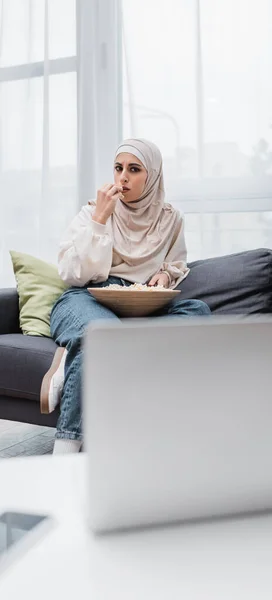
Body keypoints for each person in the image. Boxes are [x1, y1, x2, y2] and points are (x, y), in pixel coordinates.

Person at [43, 139, 211, 455]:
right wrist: (99, 220)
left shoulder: (170, 218)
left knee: (198, 311)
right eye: (118, 168)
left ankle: (76, 355)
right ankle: (65, 450)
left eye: (134, 170)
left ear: (153, 176)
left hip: (137, 305)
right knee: (102, 333)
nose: (123, 178)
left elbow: (174, 261)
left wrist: (165, 274)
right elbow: (72, 273)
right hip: (86, 297)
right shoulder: (93, 211)